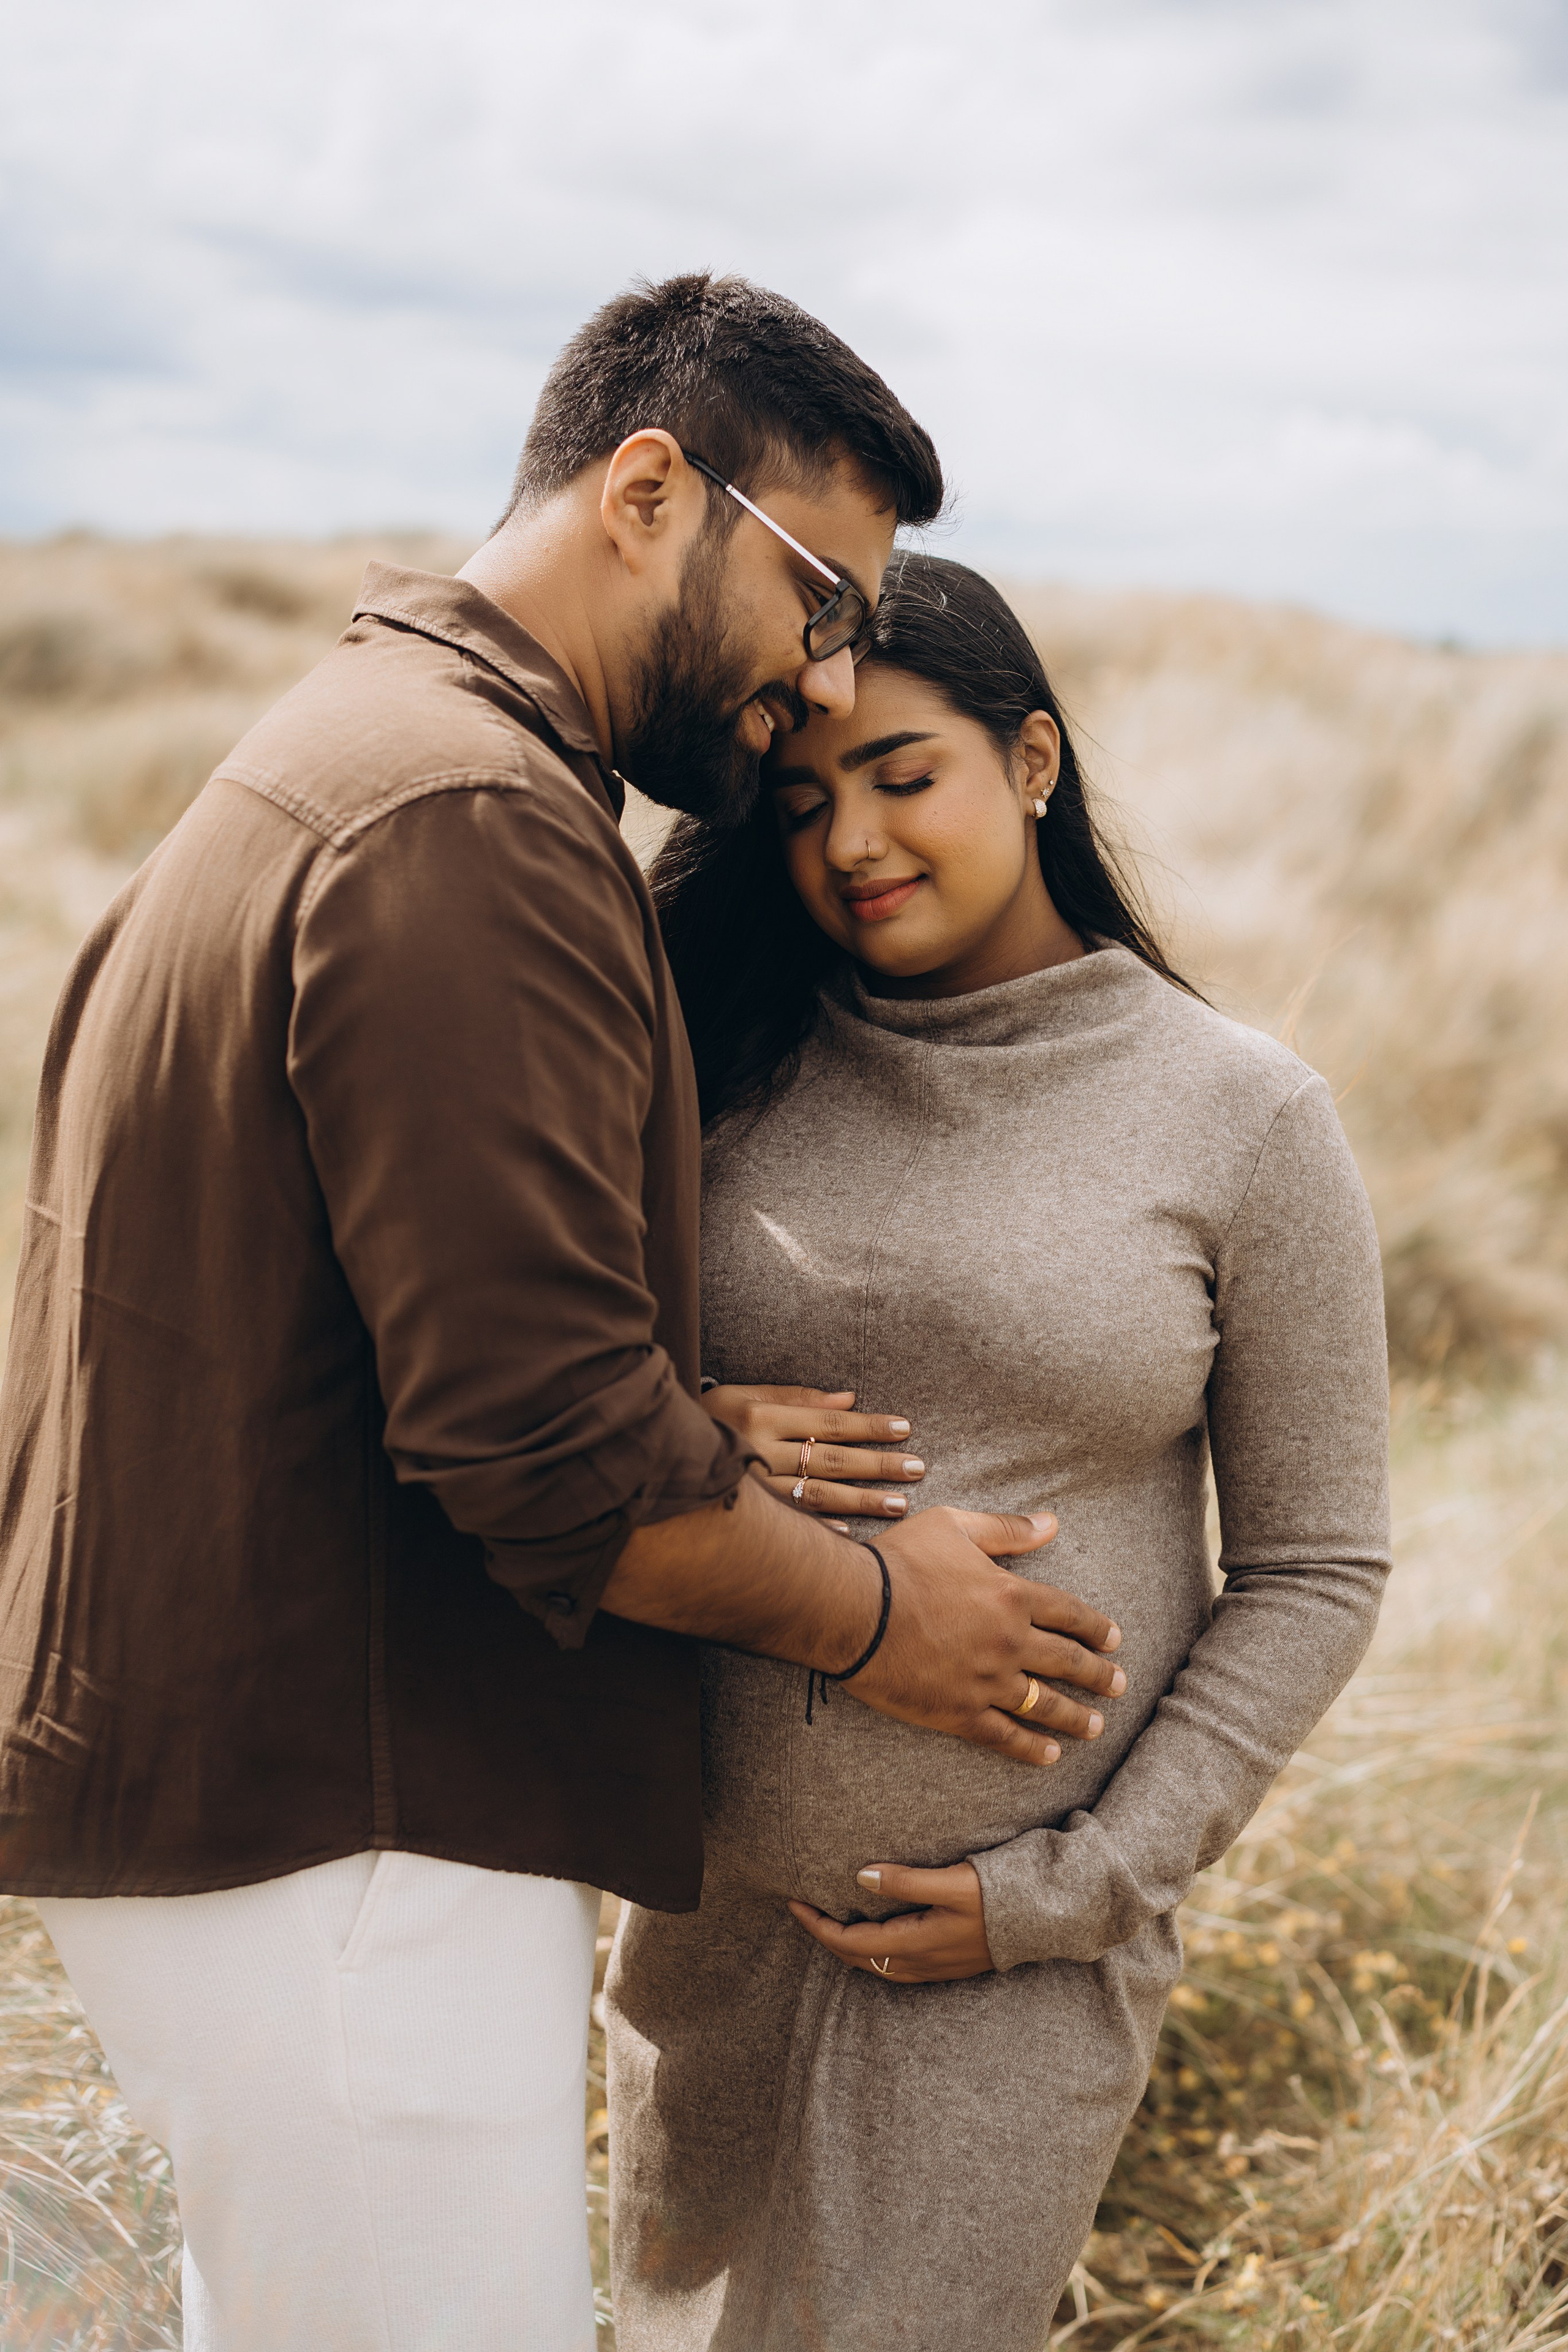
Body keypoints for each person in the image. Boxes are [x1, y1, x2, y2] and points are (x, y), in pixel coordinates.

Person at [0, 283, 1124, 2352]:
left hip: (268, 1803)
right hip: (341, 1823)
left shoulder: (364, 749)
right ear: (643, 489)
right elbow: (541, 1468)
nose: (825, 673)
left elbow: (388, 1312)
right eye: (817, 594)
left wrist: (679, 1416)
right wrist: (889, 1615)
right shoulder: (468, 823)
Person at [607, 554, 1393, 2352]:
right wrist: (700, 1425)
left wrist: (1079, 1891)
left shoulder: (1239, 1110)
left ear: (1031, 761)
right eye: (801, 803)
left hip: (1008, 1963)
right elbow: (577, 1395)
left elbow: (1318, 1568)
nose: (852, 842)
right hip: (702, 1935)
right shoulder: (722, 1060)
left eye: (905, 775)